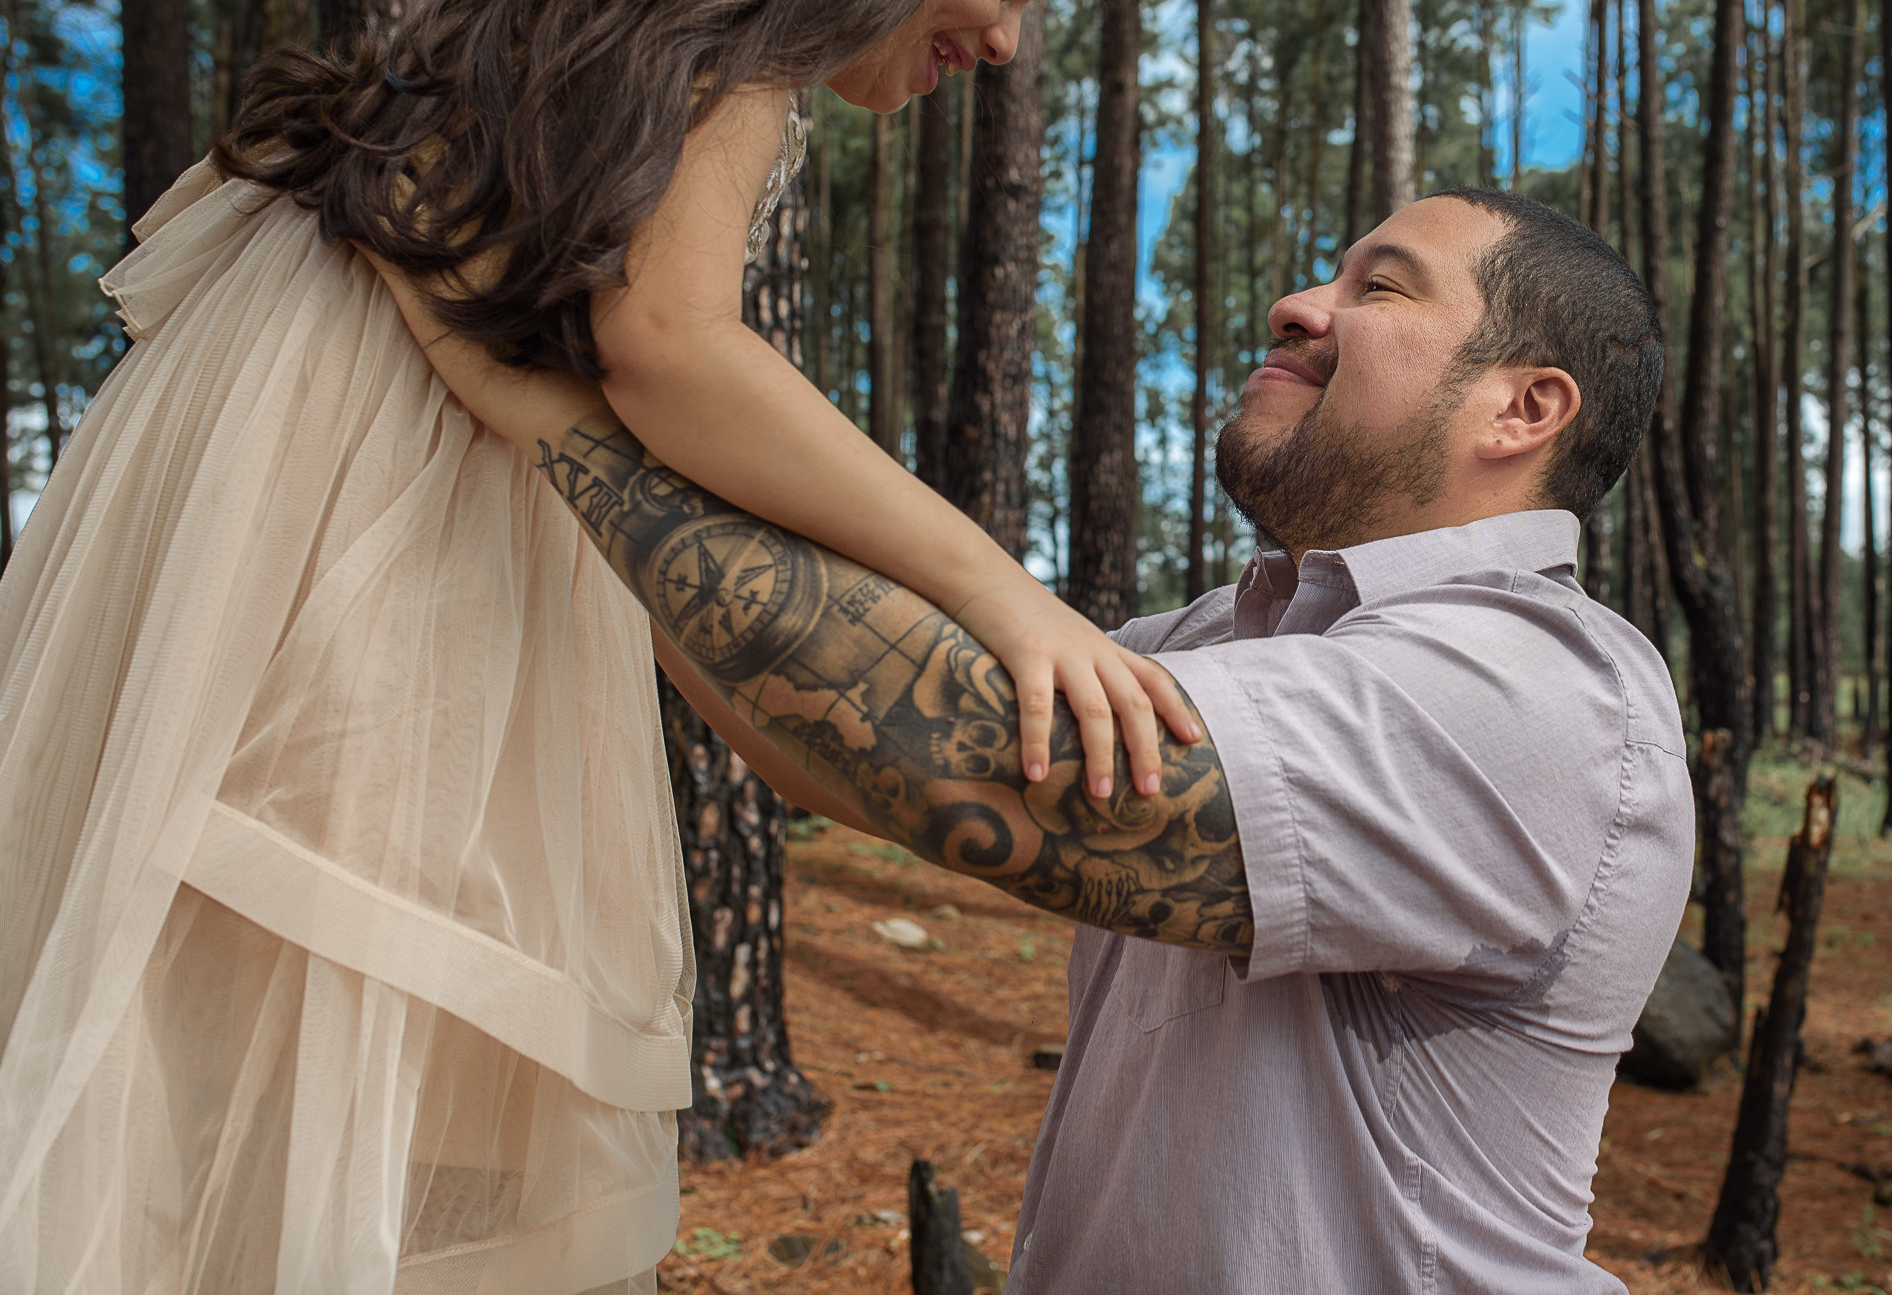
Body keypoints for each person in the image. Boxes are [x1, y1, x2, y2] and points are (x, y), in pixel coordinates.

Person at [0, 0, 1170, 1289]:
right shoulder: (737, 34)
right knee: (352, 977)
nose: (1011, 39)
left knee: (215, 987)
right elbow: (673, 347)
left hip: (291, 448)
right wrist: (998, 587)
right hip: (372, 501)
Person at [378, 187, 1695, 1294]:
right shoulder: (1215, 641)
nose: (1300, 306)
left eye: (1384, 287)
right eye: (1325, 275)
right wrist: (576, 470)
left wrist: (553, 414)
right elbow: (823, 742)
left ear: (1523, 409)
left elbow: (938, 745)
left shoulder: (1540, 687)